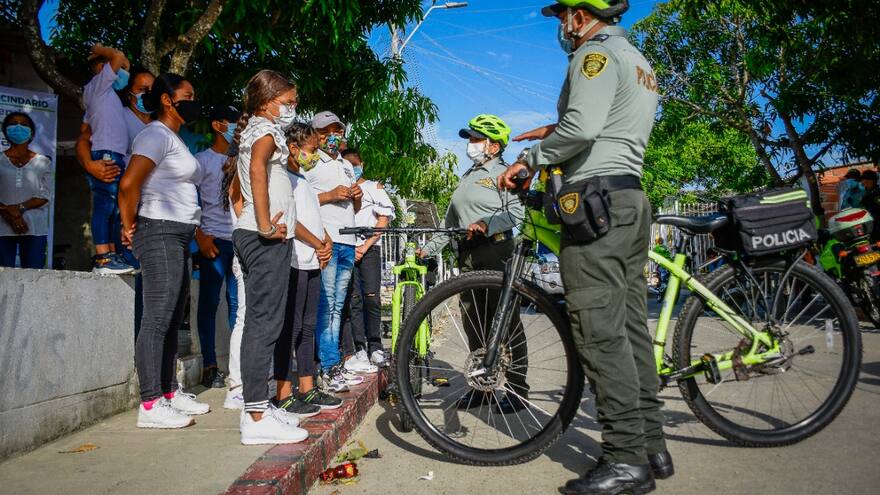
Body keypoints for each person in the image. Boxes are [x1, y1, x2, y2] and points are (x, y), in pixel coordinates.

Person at [498, 2, 672, 493]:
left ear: (580, 15)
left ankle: (625, 459)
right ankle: (651, 444)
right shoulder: (639, 61)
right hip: (629, 198)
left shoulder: (593, 55)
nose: (559, 27)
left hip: (596, 203)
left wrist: (529, 160)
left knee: (598, 330)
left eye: (562, 16)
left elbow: (583, 129)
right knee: (630, 325)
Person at [118, 73, 210, 429]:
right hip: (158, 230)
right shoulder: (155, 134)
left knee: (173, 317)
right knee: (157, 318)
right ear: (168, 100)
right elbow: (129, 183)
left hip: (178, 234)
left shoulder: (174, 138)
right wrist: (129, 226)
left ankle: (170, 392)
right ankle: (151, 403)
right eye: (188, 95)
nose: (194, 100)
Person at [419, 114, 528, 414]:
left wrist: (487, 223)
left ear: (494, 146)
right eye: (471, 139)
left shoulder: (504, 173)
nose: (471, 144)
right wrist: (427, 250)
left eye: (476, 139)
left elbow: (518, 214)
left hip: (496, 251)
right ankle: (482, 386)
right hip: (467, 255)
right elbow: (449, 223)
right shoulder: (468, 176)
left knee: (505, 322)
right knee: (474, 322)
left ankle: (518, 390)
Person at [227, 69, 307, 445]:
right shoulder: (262, 130)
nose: (292, 108)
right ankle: (255, 415)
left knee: (269, 323)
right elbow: (257, 172)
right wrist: (262, 223)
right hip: (263, 237)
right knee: (262, 324)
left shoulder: (261, 128)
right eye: (287, 102)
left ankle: (261, 405)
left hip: (269, 235)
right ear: (265, 102)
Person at [273, 122, 343, 413]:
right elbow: (291, 220)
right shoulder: (282, 178)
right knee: (290, 326)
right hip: (294, 258)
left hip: (312, 258)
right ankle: (283, 391)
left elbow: (313, 216)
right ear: (293, 147)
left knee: (308, 325)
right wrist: (317, 243)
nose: (314, 155)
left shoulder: (302, 178)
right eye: (312, 149)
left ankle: (307, 387)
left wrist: (325, 242)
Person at [303, 111, 366, 392]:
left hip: (348, 242)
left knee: (338, 307)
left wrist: (357, 198)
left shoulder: (346, 165)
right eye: (326, 131)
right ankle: (327, 367)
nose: (332, 136)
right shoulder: (309, 161)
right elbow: (299, 201)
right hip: (325, 240)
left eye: (337, 130)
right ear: (316, 134)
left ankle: (334, 364)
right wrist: (329, 195)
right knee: (326, 306)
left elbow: (354, 209)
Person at [194, 105, 241, 389]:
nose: (237, 127)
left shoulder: (242, 161)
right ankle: (210, 365)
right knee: (210, 304)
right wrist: (200, 235)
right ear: (217, 125)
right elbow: (191, 200)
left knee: (239, 305)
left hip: (239, 241)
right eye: (232, 122)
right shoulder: (201, 161)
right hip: (212, 240)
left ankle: (238, 366)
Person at [79, 43, 135, 274]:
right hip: (106, 154)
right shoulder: (98, 86)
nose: (123, 73)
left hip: (115, 155)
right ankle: (103, 257)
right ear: (103, 68)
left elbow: (126, 63)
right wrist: (103, 49)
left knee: (112, 208)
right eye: (116, 69)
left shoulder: (104, 96)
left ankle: (111, 254)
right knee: (105, 205)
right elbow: (120, 57)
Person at [340, 148, 395, 368]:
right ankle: (359, 347)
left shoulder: (374, 187)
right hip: (346, 248)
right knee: (353, 300)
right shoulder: (341, 190)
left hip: (369, 249)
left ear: (362, 163)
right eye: (347, 165)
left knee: (372, 298)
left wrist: (365, 246)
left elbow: (383, 220)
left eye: (355, 164)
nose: (352, 168)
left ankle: (376, 346)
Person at [0, 113, 52, 268]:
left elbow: (46, 195)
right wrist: (9, 214)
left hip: (35, 228)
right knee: (3, 277)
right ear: (5, 131)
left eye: (23, 124)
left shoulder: (43, 161)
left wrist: (18, 209)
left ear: (31, 132)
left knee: (35, 277)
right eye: (13, 123)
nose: (18, 127)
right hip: (2, 228)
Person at [860, 170, 880, 241]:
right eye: (863, 180)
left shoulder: (877, 192)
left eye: (868, 180)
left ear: (874, 180)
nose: (864, 182)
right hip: (872, 229)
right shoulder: (865, 197)